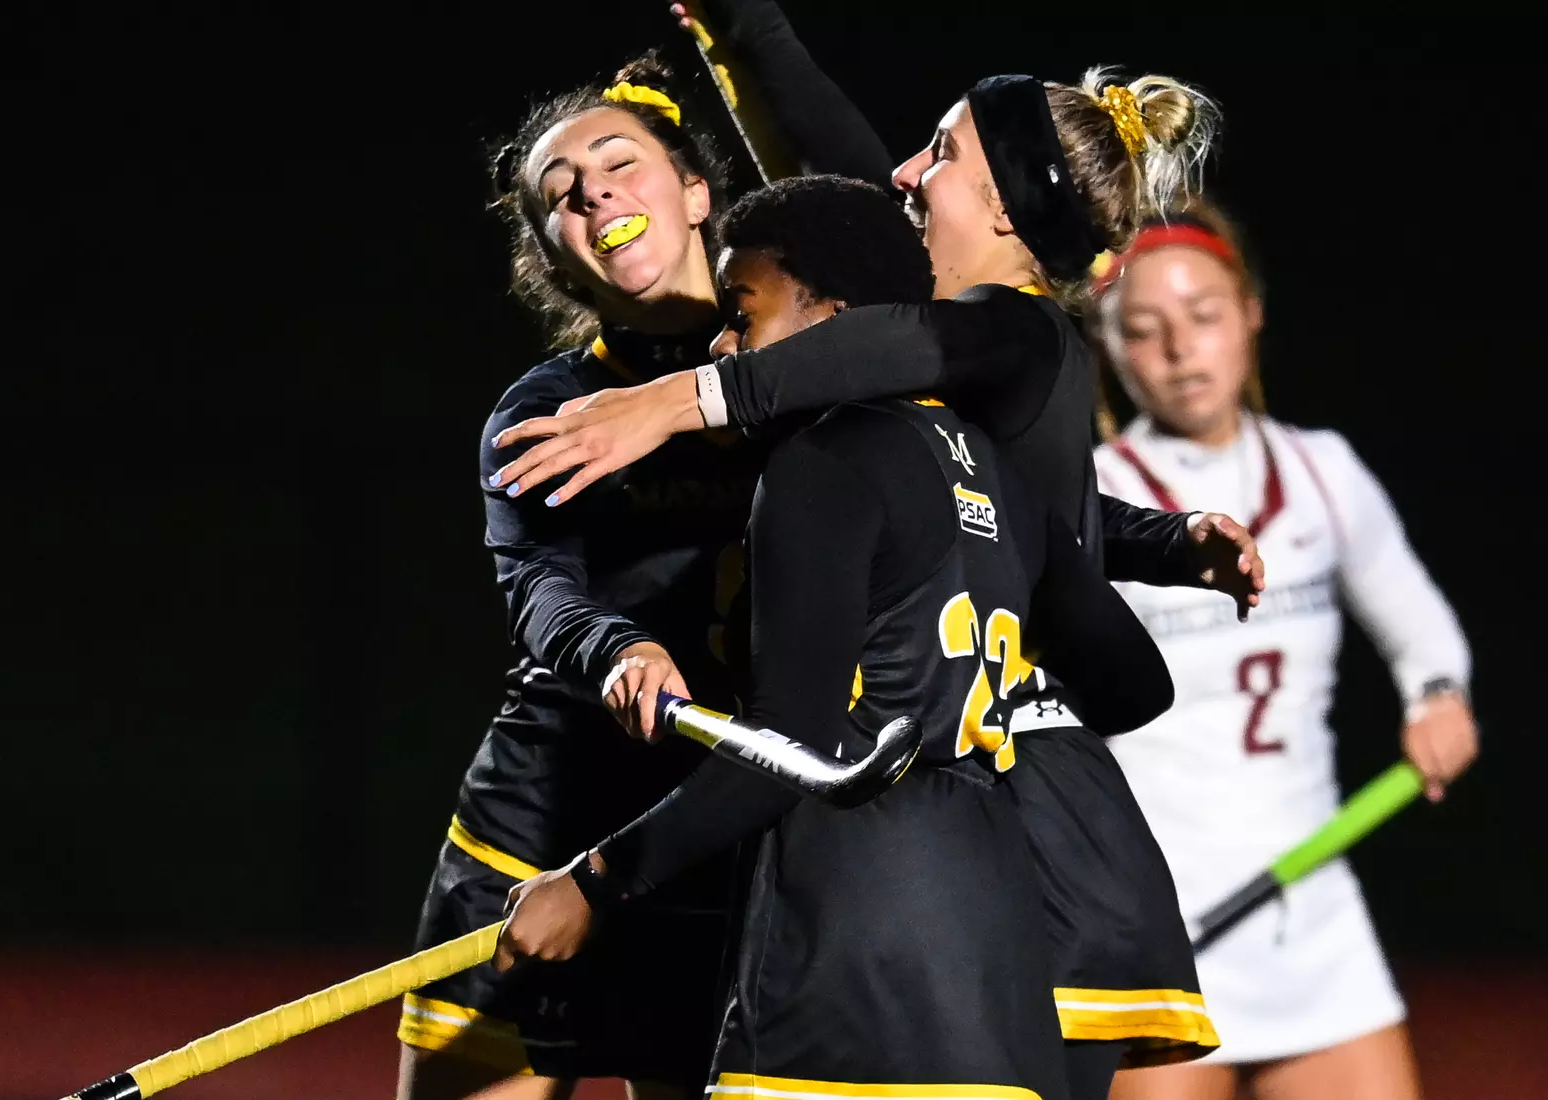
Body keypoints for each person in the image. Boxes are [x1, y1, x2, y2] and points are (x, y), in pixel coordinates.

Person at [488, 19, 1249, 1094]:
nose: (903, 168)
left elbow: (867, 323)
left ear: (1001, 208)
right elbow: (840, 209)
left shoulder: (1005, 337)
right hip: (991, 801)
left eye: (938, 155)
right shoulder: (950, 401)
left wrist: (676, 399)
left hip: (995, 815)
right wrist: (742, 32)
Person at [396, 55, 751, 1100]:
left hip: (710, 834)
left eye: (617, 162)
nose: (591, 190)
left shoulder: (808, 374)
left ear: (695, 193)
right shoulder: (542, 404)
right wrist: (617, 644)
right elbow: (539, 583)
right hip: (545, 810)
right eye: (560, 193)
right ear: (553, 256)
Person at [1086, 202, 1479, 1100]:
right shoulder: (1088, 495)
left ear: (1251, 312)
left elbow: (1424, 634)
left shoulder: (1321, 471)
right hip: (1161, 922)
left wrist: (1438, 696)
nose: (1181, 350)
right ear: (1111, 344)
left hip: (1311, 912)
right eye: (1144, 330)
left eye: (1205, 316)